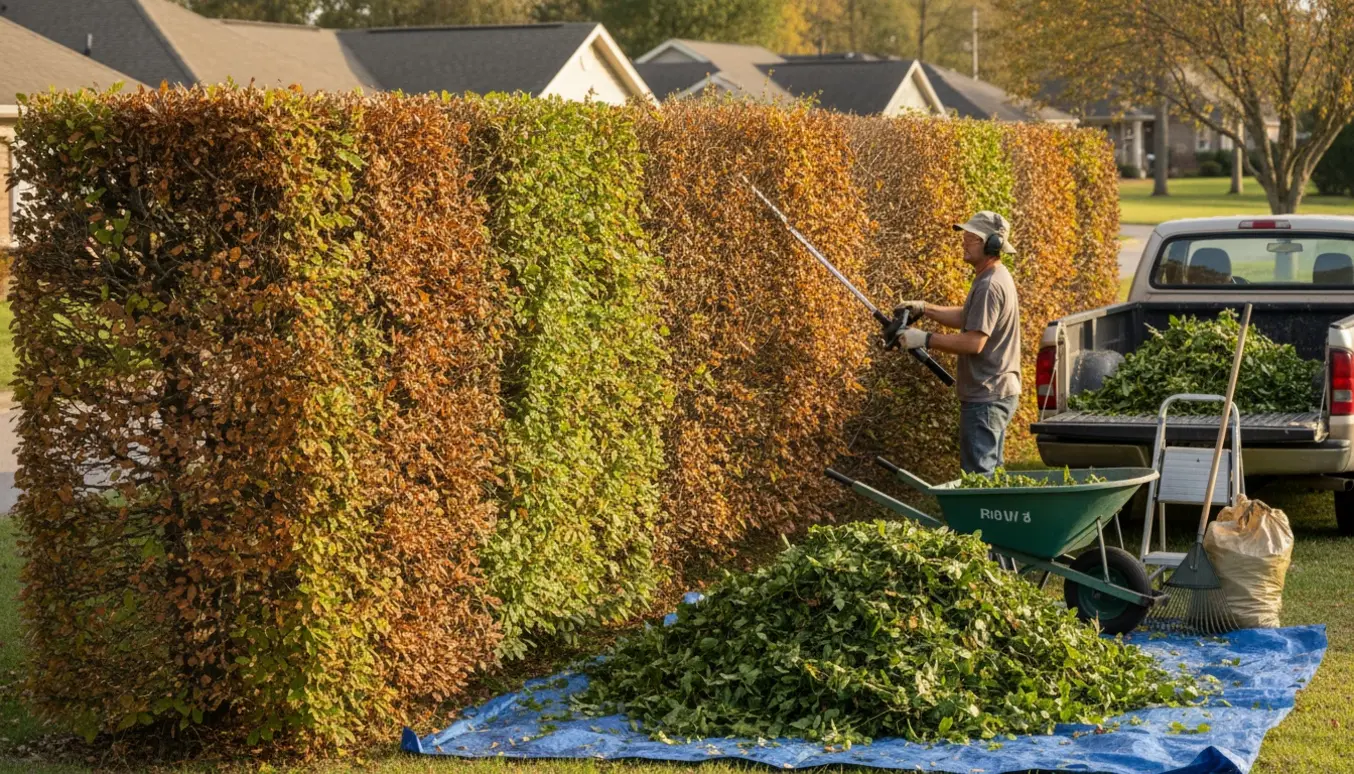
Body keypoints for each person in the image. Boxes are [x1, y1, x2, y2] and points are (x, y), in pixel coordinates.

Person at [894, 212, 1022, 475]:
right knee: (992, 475)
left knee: (980, 476)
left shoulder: (990, 285)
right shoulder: (992, 276)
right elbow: (969, 318)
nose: (964, 242)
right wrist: (924, 308)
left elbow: (974, 342)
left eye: (971, 238)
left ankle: (984, 517)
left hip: (987, 395)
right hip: (995, 391)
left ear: (992, 244)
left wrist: (926, 339)